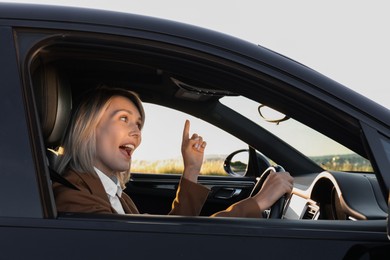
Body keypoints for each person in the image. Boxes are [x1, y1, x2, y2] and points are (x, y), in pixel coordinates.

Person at [53, 86, 293, 218]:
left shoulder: (115, 194)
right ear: (88, 128)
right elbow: (159, 249)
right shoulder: (73, 196)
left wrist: (191, 169)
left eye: (138, 124)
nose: (136, 132)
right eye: (123, 118)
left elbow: (168, 233)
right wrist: (258, 202)